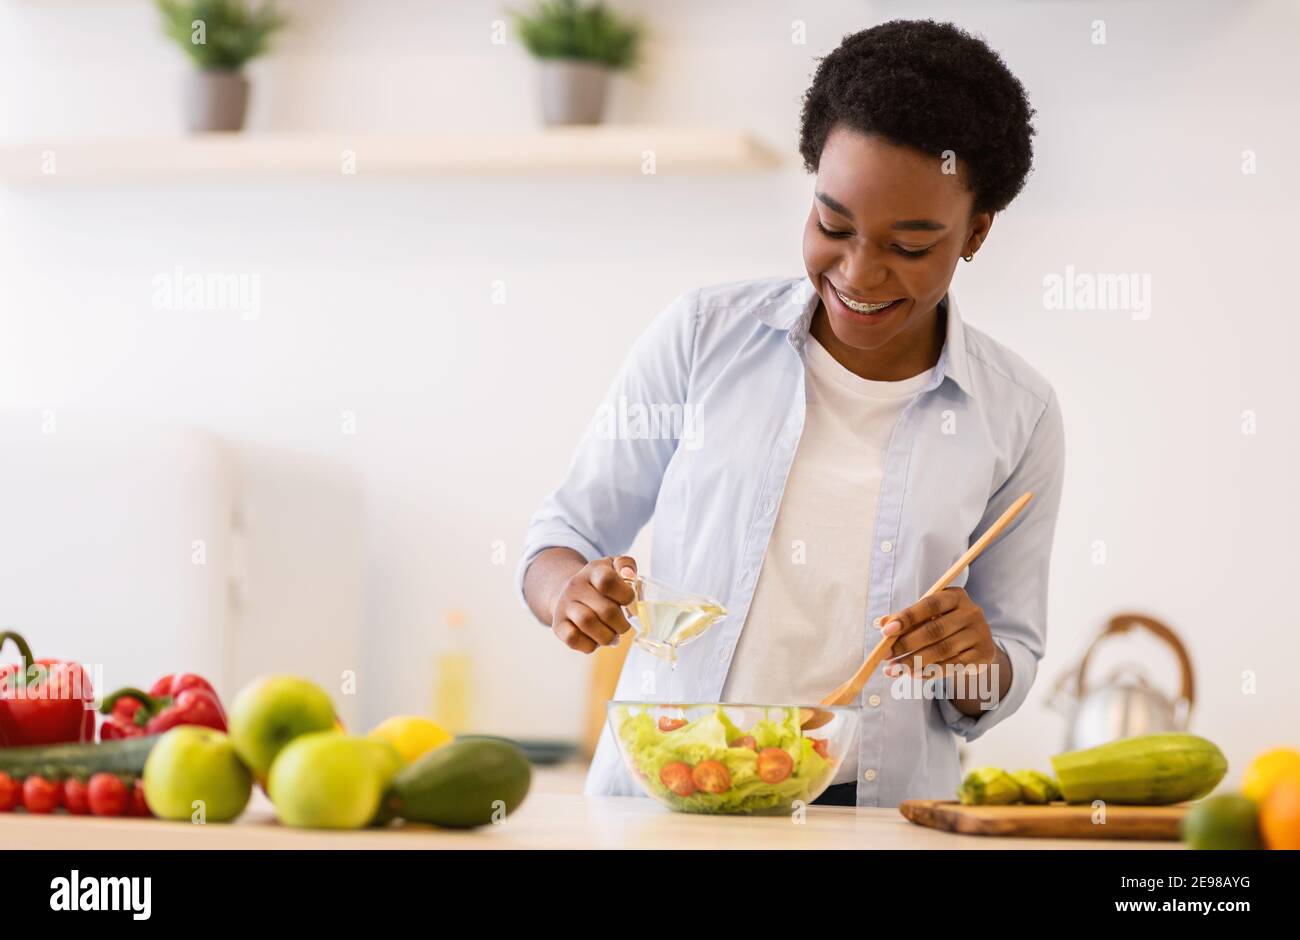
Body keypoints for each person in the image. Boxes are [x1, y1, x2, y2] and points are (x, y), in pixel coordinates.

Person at [517, 19, 1064, 808]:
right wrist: (571, 593)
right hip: (665, 805)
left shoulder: (1018, 414)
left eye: (910, 247)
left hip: (874, 818)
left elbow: (1008, 657)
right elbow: (558, 540)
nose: (858, 272)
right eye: (832, 225)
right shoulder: (702, 338)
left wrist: (976, 661)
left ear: (976, 231)